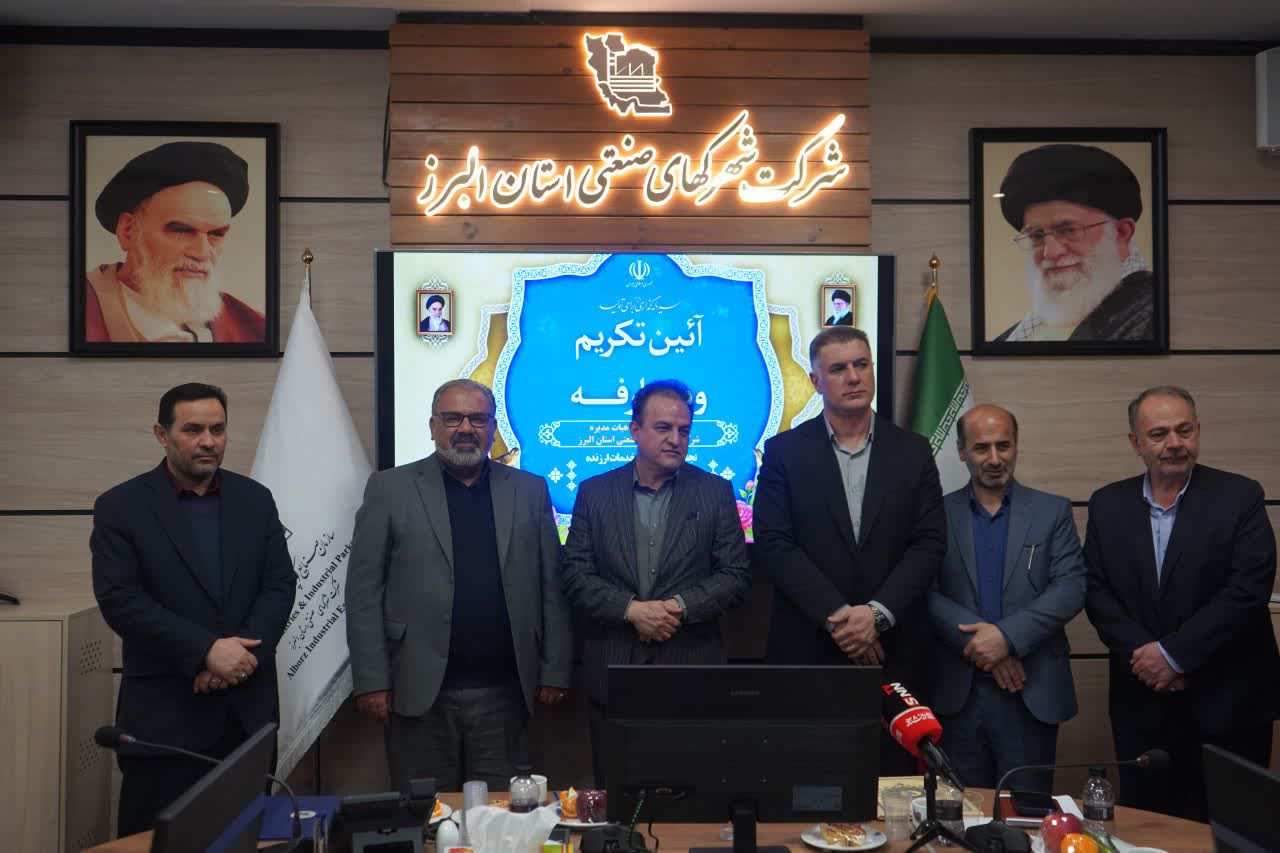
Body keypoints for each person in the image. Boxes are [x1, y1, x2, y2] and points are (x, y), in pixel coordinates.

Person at [345, 378, 572, 793]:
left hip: (505, 694)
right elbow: (363, 593)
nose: (466, 428)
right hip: (417, 693)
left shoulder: (530, 490)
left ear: (493, 428)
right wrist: (372, 680)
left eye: (478, 419)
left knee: (502, 816)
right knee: (424, 813)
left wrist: (554, 669)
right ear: (433, 426)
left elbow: (551, 587)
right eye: (453, 418)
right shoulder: (390, 489)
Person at [90, 383, 295, 836]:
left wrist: (237, 662)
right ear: (162, 435)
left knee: (246, 841)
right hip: (165, 721)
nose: (208, 441)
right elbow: (122, 601)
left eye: (218, 429)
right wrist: (205, 651)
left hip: (246, 718)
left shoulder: (255, 499)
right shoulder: (121, 507)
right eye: (193, 429)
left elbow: (279, 585)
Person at [753, 325, 945, 773]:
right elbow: (774, 544)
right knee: (803, 780)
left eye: (861, 364)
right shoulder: (784, 452)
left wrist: (875, 616)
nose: (854, 377)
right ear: (816, 382)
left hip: (894, 652)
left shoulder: (913, 451)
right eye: (838, 369)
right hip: (808, 652)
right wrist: (841, 618)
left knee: (892, 786)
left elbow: (930, 542)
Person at [1084, 386, 1279, 820]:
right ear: (1135, 443)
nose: (1174, 443)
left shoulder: (1240, 496)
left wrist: (1173, 656)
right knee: (1149, 829)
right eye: (1159, 434)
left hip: (1229, 703)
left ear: (1197, 431)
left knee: (1233, 829)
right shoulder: (1107, 504)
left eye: (1184, 430)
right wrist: (1147, 658)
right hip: (1143, 707)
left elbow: (1248, 590)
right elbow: (1096, 590)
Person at [561, 379, 751, 786]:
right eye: (663, 428)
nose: (676, 439)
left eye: (684, 430)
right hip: (614, 670)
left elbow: (735, 575)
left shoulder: (715, 492)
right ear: (635, 430)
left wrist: (679, 608)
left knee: (692, 794)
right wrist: (631, 610)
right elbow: (575, 574)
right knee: (617, 793)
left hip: (692, 669)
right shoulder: (595, 493)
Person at [927, 405, 1086, 793]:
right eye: (982, 448)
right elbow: (924, 593)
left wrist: (1006, 638)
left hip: (1030, 689)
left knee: (1026, 815)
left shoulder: (1052, 511)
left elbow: (1071, 587)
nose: (995, 459)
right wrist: (985, 648)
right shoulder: (935, 514)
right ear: (962, 451)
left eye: (1004, 445)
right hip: (958, 693)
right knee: (961, 813)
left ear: (1017, 446)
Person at [86, 141, 265, 344]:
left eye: (216, 234)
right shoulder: (76, 310)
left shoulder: (252, 328)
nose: (202, 253)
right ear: (128, 231)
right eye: (181, 230)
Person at [993, 144, 1154, 343]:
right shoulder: (1011, 338)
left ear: (1121, 233)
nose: (1050, 252)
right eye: (1036, 236)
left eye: (1069, 230)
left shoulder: (1155, 312)